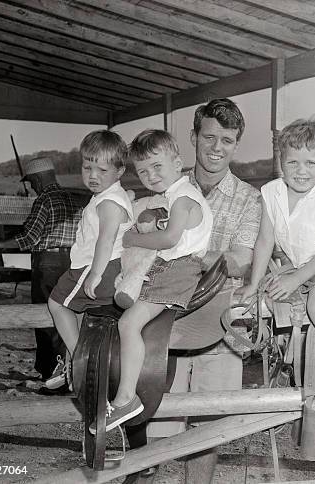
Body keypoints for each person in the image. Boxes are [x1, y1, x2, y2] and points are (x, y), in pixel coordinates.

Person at [123, 98, 261, 484]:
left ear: (236, 144)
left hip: (215, 317)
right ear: (194, 136)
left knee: (206, 426)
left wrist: (188, 255)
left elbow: (241, 259)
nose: (217, 147)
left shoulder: (250, 199)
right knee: (153, 416)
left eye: (228, 140)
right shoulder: (162, 181)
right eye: (210, 136)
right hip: (163, 314)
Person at [239, 118, 315, 435]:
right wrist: (252, 282)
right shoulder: (271, 193)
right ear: (281, 163)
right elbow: (265, 240)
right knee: (265, 294)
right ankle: (283, 386)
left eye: (310, 162)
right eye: (292, 162)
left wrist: (295, 280)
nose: (301, 170)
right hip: (300, 262)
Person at [88, 129, 213, 433]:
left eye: (157, 166)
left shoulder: (182, 198)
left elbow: (170, 239)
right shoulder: (176, 196)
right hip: (173, 266)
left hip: (178, 270)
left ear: (178, 162)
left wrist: (133, 238)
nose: (151, 175)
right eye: (143, 171)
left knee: (128, 324)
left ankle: (126, 398)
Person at [0, 157, 84, 390]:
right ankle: (69, 372)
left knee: (45, 318)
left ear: (38, 178)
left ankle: (52, 375)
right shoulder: (72, 198)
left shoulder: (44, 200)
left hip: (47, 262)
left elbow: (29, 237)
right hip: (72, 262)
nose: (32, 187)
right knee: (66, 318)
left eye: (31, 182)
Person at [46, 130, 133, 388]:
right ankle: (76, 358)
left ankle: (78, 358)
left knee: (57, 304)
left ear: (119, 171)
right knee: (78, 313)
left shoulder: (108, 202)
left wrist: (95, 273)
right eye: (87, 167)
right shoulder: (110, 196)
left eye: (102, 170)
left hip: (97, 267)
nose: (93, 176)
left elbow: (106, 239)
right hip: (102, 266)